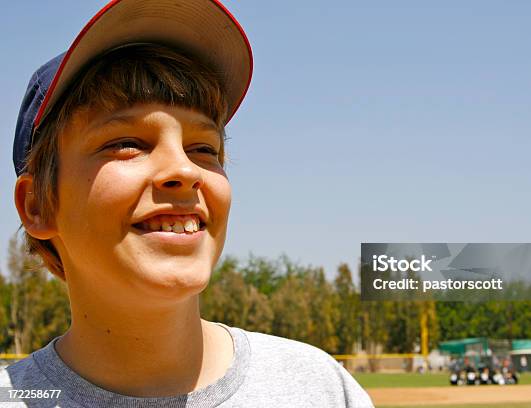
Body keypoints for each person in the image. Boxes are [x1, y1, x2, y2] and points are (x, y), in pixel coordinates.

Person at [0, 1, 374, 407]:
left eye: (203, 147)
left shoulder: (317, 388)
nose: (183, 167)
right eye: (126, 143)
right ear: (37, 205)